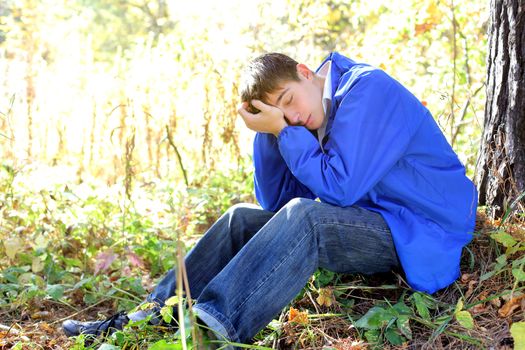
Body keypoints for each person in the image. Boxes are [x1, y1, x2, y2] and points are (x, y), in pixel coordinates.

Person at [62, 52, 478, 347]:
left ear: (305, 72)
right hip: (373, 219)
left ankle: (211, 330)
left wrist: (286, 131)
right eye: (281, 114)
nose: (294, 117)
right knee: (240, 218)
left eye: (289, 102)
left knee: (308, 219)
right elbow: (277, 203)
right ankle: (154, 314)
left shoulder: (369, 92)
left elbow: (339, 189)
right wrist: (270, 133)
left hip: (423, 229)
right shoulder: (306, 116)